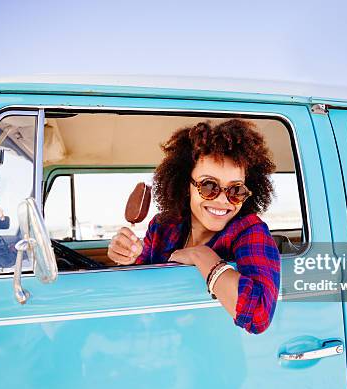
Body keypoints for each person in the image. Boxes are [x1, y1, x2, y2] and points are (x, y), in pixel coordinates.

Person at [107, 119, 280, 334]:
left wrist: (202, 256)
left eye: (236, 190)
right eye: (209, 186)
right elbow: (141, 287)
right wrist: (127, 257)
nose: (223, 200)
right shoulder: (163, 226)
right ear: (185, 184)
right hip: (166, 341)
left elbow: (258, 316)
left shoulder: (250, 231)